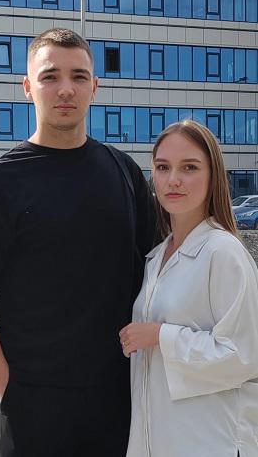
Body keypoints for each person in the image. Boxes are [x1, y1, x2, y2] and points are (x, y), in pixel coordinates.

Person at [0, 28, 156, 457]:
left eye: (79, 76)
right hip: (31, 401)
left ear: (95, 87)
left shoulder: (124, 172)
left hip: (118, 396)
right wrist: (9, 390)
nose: (66, 89)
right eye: (50, 76)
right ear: (27, 87)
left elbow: (155, 269)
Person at [119, 120, 258, 457]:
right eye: (162, 167)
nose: (173, 180)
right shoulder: (156, 257)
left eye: (190, 167)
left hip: (211, 441)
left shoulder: (223, 252)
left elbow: (244, 357)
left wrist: (160, 336)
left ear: (213, 177)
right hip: (157, 441)